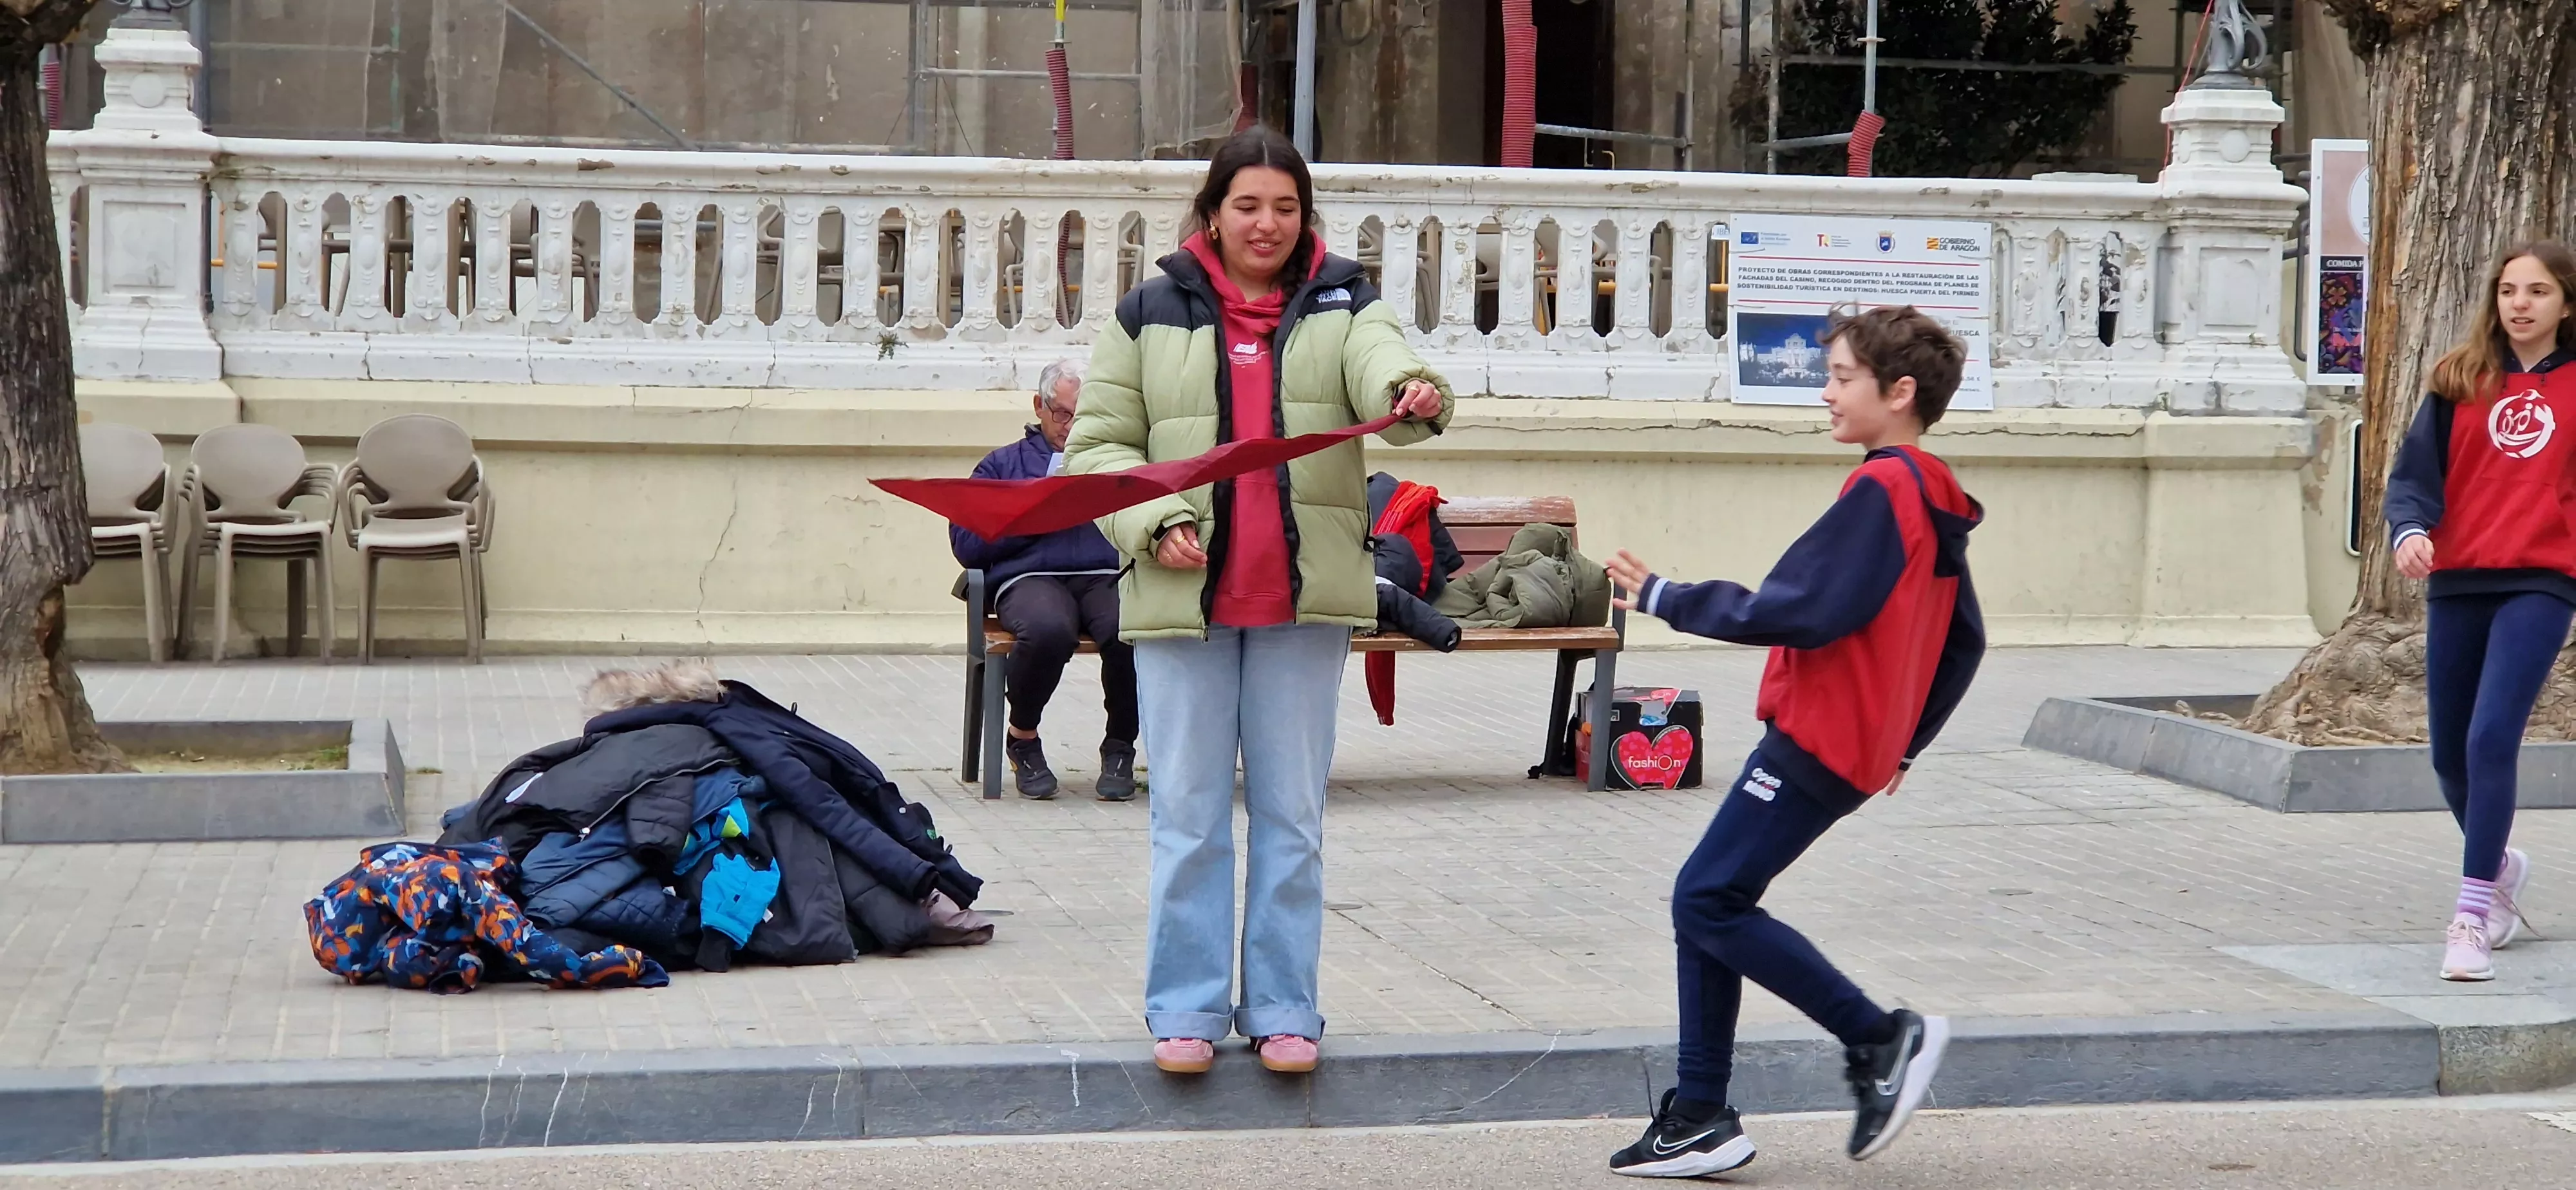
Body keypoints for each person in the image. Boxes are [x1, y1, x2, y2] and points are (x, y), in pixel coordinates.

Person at [1065, 126, 1452, 1077]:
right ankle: (1186, 1012)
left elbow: (1385, 363)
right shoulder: (1146, 311)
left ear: (1304, 216)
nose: (1267, 223)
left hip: (1300, 607)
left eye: (1285, 207)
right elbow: (1098, 452)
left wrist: (1410, 388)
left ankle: (1285, 1008)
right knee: (1188, 819)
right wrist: (1156, 522)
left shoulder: (1344, 301)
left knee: (1292, 819)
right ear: (1213, 211)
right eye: (1248, 205)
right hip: (1181, 606)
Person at [1600, 305, 1985, 1177]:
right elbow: (1966, 643)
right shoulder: (1932, 490)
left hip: (1818, 740)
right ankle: (1699, 1115)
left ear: (1900, 392)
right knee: (1711, 897)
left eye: (1844, 378)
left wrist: (1669, 596)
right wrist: (1908, 745)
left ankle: (1880, 1038)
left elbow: (1806, 611)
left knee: (1706, 901)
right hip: (1853, 747)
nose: (1827, 392)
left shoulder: (1884, 490)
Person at [2385, 241, 2576, 983]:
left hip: (2541, 581)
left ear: (2565, 303)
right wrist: (2408, 532)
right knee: (2447, 754)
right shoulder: (2456, 380)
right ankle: (2498, 867)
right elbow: (2413, 480)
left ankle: (2469, 917)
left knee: (2492, 736)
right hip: (2458, 581)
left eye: (2536, 291)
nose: (2520, 304)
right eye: (2507, 290)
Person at [949, 359, 1138, 801]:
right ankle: (1023, 736)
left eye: (1083, 416)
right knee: (1049, 628)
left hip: (1101, 574)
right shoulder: (1002, 466)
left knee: (1130, 628)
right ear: (1039, 406)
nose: (1071, 427)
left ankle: (1120, 747)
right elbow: (966, 543)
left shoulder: (1114, 461)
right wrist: (1030, 517)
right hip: (1031, 576)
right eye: (1062, 414)